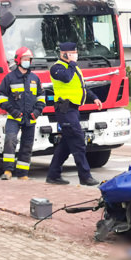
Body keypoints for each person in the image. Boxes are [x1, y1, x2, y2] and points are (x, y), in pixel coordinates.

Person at [46, 42, 102, 186]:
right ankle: (85, 176)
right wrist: (71, 63)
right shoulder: (56, 68)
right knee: (78, 141)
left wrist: (94, 97)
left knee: (66, 144)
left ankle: (53, 174)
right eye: (73, 52)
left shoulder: (74, 68)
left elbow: (81, 87)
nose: (76, 54)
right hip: (64, 110)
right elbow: (66, 78)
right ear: (64, 54)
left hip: (73, 110)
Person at [0, 46, 45, 180]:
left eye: (29, 59)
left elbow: (41, 97)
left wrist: (36, 112)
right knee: (10, 141)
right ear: (18, 60)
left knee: (27, 145)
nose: (27, 61)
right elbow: (1, 96)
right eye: (25, 59)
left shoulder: (35, 78)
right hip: (14, 117)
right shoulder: (10, 78)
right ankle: (8, 171)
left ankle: (23, 173)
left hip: (31, 118)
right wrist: (12, 111)